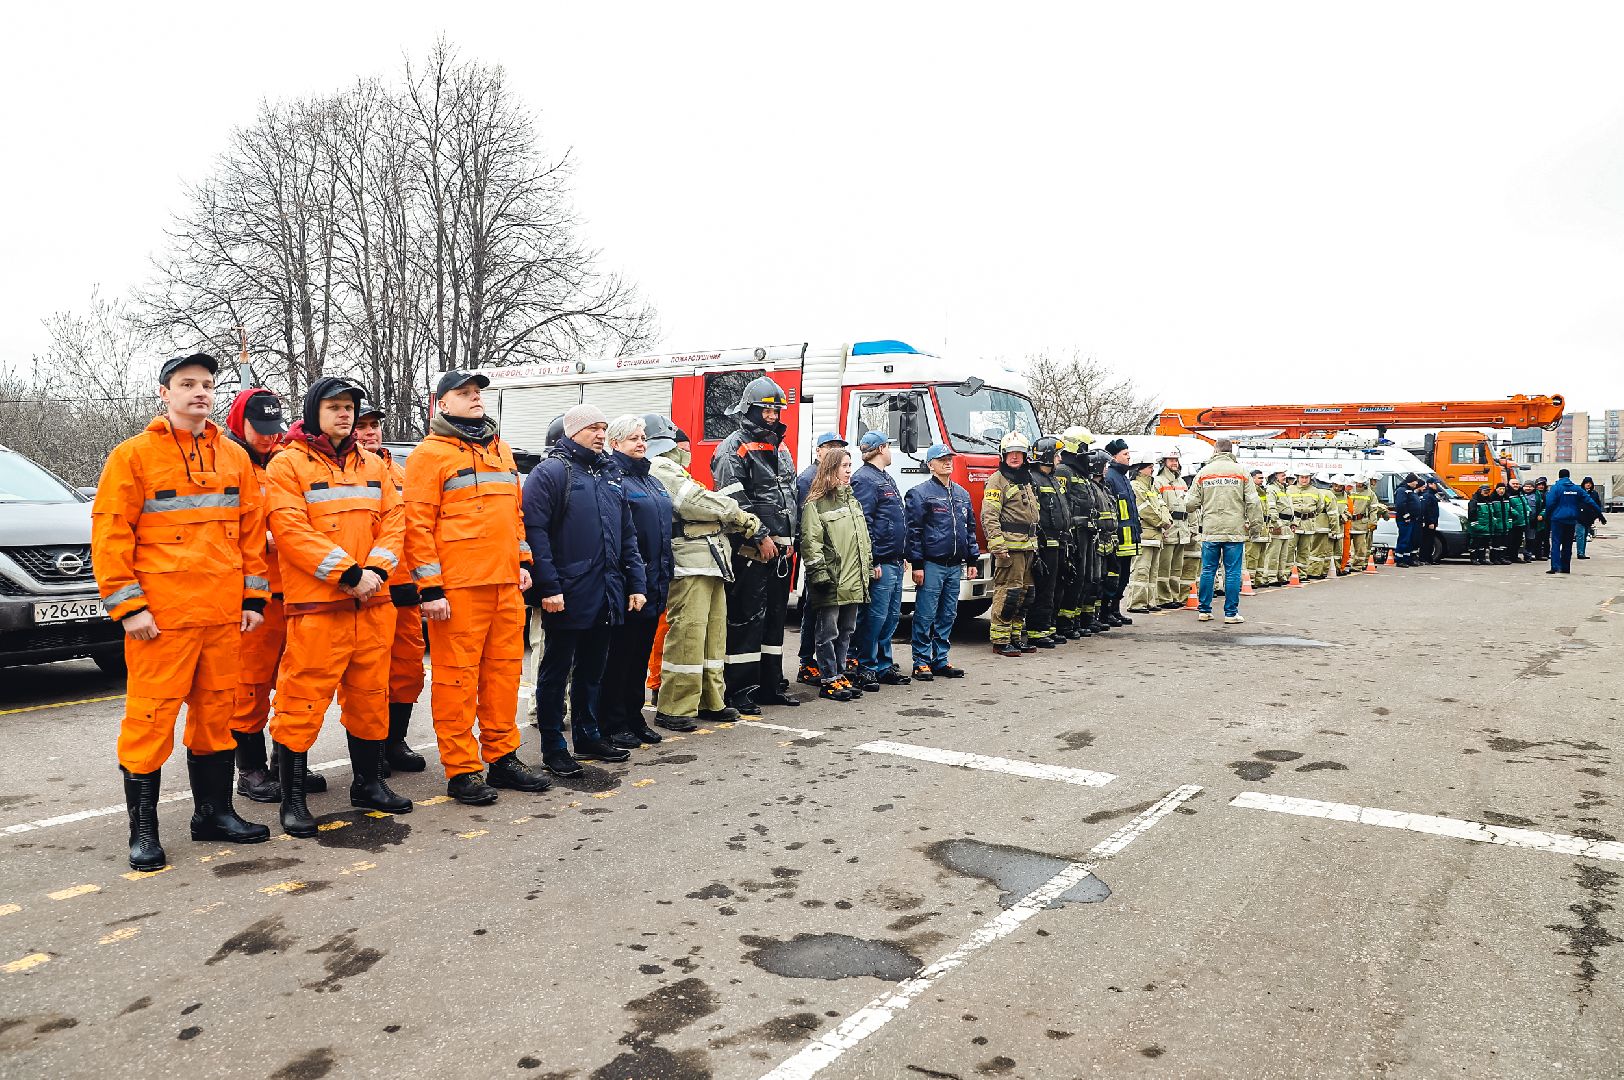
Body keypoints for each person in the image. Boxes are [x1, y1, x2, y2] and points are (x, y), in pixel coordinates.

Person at [92, 353, 273, 870]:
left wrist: (253, 599)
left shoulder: (234, 458)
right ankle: (143, 832)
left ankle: (213, 814)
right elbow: (109, 534)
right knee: (150, 720)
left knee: (216, 717)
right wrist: (129, 608)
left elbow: (250, 533)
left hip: (221, 617)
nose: (199, 392)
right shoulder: (133, 456)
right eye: (187, 384)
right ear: (164, 393)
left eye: (207, 384)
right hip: (161, 620)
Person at [265, 377, 412, 836]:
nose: (345, 414)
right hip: (318, 607)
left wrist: (377, 574)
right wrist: (349, 574)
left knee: (370, 697)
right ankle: (292, 799)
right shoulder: (287, 465)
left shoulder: (374, 464)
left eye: (349, 407)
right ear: (314, 412)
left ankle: (368, 783)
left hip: (373, 603)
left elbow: (395, 522)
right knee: (301, 701)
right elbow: (290, 531)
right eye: (335, 407)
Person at [406, 370, 549, 806]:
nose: (475, 399)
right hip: (460, 588)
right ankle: (462, 768)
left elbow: (515, 517)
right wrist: (431, 590)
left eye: (478, 393)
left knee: (504, 675)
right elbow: (417, 526)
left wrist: (523, 562)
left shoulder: (500, 449)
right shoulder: (429, 455)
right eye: (464, 394)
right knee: (457, 681)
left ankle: (503, 756)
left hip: (505, 584)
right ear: (442, 404)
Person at [525, 404, 648, 774]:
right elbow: (536, 534)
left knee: (593, 669)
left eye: (603, 427)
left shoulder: (608, 474)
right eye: (592, 427)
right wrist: (549, 587)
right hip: (567, 591)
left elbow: (627, 535)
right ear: (572, 431)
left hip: (606, 591)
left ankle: (589, 735)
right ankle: (553, 746)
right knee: (556, 670)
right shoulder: (550, 472)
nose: (599, 433)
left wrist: (635, 583)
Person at [645, 415, 765, 730]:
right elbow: (694, 502)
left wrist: (728, 515)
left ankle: (710, 700)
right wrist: (739, 514)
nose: (686, 450)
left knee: (713, 637)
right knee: (687, 635)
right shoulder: (660, 468)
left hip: (710, 561)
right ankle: (675, 707)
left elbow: (706, 505)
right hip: (689, 562)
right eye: (680, 444)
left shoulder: (674, 470)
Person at [712, 377, 800, 715]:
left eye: (777, 409)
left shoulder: (781, 447)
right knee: (746, 621)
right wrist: (760, 536)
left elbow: (788, 497)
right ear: (750, 408)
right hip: (752, 551)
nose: (773, 414)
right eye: (766, 409)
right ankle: (739, 691)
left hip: (780, 550)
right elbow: (735, 501)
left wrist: (791, 541)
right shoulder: (733, 447)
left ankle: (769, 684)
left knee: (774, 619)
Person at [353, 398, 428, 777]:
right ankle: (372, 750)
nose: (369, 433)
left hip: (405, 589)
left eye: (373, 426)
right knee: (369, 677)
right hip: (366, 588)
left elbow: (415, 530)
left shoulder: (401, 473)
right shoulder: (347, 473)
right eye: (361, 426)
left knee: (408, 671)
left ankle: (394, 742)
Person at [224, 388, 291, 803]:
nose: (269, 437)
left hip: (293, 593)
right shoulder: (230, 466)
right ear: (239, 425)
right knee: (249, 684)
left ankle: (287, 762)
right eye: (260, 430)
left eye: (273, 430)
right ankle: (250, 770)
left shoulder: (283, 464)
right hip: (251, 597)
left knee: (290, 682)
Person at [600, 415, 674, 750]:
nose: (641, 443)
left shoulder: (652, 480)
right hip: (631, 583)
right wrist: (633, 582)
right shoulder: (614, 479)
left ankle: (633, 716)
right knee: (620, 657)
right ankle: (613, 722)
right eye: (633, 438)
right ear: (614, 443)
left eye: (643, 437)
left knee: (639, 655)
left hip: (655, 580)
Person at [798, 447, 875, 700]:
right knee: (827, 632)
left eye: (850, 466)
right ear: (831, 470)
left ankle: (839, 674)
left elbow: (862, 541)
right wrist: (819, 574)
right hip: (832, 579)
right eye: (844, 466)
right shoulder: (815, 504)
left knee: (846, 631)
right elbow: (811, 543)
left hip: (853, 579)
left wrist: (868, 566)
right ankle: (828, 678)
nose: (849, 471)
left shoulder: (853, 501)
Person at [904, 443, 979, 679]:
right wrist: (917, 565)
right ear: (930, 465)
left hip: (955, 565)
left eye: (949, 458)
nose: (948, 462)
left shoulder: (961, 494)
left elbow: (970, 530)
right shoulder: (920, 493)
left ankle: (941, 659)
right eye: (942, 459)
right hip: (931, 564)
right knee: (926, 614)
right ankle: (921, 661)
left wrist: (973, 560)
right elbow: (913, 531)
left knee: (948, 614)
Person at [850, 431, 911, 682]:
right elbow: (864, 523)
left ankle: (884, 665)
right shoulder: (864, 480)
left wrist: (904, 553)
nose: (891, 452)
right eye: (889, 447)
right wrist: (872, 559)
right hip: (881, 561)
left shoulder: (885, 479)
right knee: (875, 617)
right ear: (881, 448)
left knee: (891, 616)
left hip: (894, 559)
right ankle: (866, 665)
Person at [796, 432, 855, 687]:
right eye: (830, 447)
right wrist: (816, 566)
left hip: (843, 568)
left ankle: (829, 668)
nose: (835, 450)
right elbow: (807, 527)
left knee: (836, 623)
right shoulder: (808, 480)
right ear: (819, 450)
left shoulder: (847, 492)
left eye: (839, 447)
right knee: (817, 615)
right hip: (823, 564)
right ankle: (808, 662)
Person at [982, 432, 1042, 656]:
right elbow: (989, 515)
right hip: (1010, 547)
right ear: (1003, 455)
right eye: (1011, 453)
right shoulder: (998, 480)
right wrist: (998, 546)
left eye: (1020, 453)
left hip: (1028, 547)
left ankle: (1015, 637)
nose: (1015, 457)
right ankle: (1000, 640)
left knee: (1026, 594)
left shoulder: (1026, 479)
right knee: (1008, 594)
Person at [1188, 439, 1261, 623]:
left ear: (1215, 451)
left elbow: (1190, 504)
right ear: (1231, 451)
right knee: (1233, 572)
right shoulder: (1242, 472)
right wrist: (1255, 528)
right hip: (1234, 530)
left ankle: (1204, 610)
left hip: (1211, 530)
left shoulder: (1204, 473)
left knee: (1207, 569)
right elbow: (1253, 503)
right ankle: (1230, 613)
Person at [1053, 427, 1100, 638]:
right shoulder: (1064, 471)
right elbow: (1063, 504)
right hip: (1074, 533)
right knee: (1073, 577)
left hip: (1087, 531)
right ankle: (1064, 623)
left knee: (1085, 577)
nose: (1088, 453)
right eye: (1085, 447)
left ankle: (1074, 620)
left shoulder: (1080, 474)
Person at [1025, 436, 1070, 647]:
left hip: (1059, 541)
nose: (1060, 459)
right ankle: (1037, 630)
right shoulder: (1034, 479)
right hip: (1045, 543)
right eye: (1057, 455)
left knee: (1056, 586)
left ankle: (1049, 627)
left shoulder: (1051, 478)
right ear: (1048, 456)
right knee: (1044, 587)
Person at [1100, 438, 1139, 626]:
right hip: (1118, 537)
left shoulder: (1123, 477)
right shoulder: (1111, 477)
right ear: (1114, 457)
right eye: (1125, 454)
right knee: (1113, 575)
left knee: (1123, 576)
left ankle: (1115, 609)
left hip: (1129, 536)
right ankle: (1106, 611)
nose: (1129, 456)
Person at [1126, 457, 1169, 612]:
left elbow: (1162, 505)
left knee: (1152, 572)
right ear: (1139, 469)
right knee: (1141, 571)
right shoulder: (1136, 486)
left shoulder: (1151, 487)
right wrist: (1162, 522)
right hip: (1145, 536)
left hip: (1156, 536)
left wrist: (1166, 520)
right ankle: (1136, 602)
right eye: (1149, 467)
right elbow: (1145, 510)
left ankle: (1150, 601)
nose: (1152, 469)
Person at [1544, 469, 1607, 574]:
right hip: (1571, 519)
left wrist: (1547, 516)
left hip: (1558, 519)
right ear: (1569, 476)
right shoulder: (1576, 489)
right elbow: (1590, 501)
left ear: (1559, 476)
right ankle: (1565, 568)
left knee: (1556, 543)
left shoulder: (1555, 488)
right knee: (1567, 544)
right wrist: (1600, 515)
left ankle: (1555, 567)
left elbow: (1550, 503)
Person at [1154, 450, 1192, 608]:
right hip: (1169, 528)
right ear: (1163, 462)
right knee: (1164, 565)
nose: (1174, 463)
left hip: (1182, 528)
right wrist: (1162, 527)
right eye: (1171, 460)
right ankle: (1163, 598)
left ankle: (1174, 596)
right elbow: (1157, 506)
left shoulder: (1182, 483)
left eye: (1176, 460)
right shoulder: (1158, 481)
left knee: (1177, 567)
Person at [1262, 468, 1292, 586]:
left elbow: (1290, 507)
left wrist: (1292, 522)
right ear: (1275, 477)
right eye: (1282, 475)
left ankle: (1281, 575)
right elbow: (1272, 508)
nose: (1285, 477)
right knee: (1273, 554)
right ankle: (1271, 577)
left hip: (1286, 525)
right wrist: (1276, 524)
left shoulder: (1284, 489)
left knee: (1283, 554)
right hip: (1278, 524)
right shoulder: (1271, 489)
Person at [1392, 473, 1420, 566]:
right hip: (1404, 519)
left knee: (1409, 539)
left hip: (1411, 519)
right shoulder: (1402, 490)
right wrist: (1406, 515)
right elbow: (1400, 505)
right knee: (1404, 538)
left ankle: (1407, 558)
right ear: (1410, 481)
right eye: (1415, 481)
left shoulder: (1409, 490)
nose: (1416, 483)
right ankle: (1399, 559)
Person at [1415, 479, 1442, 564]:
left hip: (1432, 522)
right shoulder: (1428, 495)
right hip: (1429, 523)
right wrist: (1430, 522)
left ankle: (1429, 558)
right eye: (1435, 484)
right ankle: (1424, 558)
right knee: (1426, 541)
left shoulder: (1431, 495)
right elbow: (1427, 510)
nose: (1436, 486)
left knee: (1430, 541)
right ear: (1430, 484)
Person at [1504, 478, 1531, 564]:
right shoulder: (1507, 494)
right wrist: (1514, 513)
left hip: (1521, 522)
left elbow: (1525, 504)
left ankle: (1514, 556)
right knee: (1510, 540)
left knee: (1518, 540)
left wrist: (1528, 510)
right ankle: (1508, 556)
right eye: (1513, 484)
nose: (1516, 485)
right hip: (1513, 522)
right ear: (1509, 484)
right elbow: (1507, 507)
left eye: (1517, 484)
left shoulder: (1521, 493)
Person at [1465, 485, 1492, 565]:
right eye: (1485, 491)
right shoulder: (1474, 501)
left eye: (1488, 491)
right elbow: (1471, 514)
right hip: (1477, 527)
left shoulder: (1488, 500)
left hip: (1486, 527)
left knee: (1484, 544)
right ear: (1480, 491)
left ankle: (1482, 559)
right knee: (1475, 544)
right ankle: (1473, 559)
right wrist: (1476, 525)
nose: (1487, 493)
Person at [1577, 477, 1601, 558]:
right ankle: (1580, 553)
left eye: (1589, 483)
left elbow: (1597, 504)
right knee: (1580, 535)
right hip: (1579, 517)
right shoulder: (1579, 492)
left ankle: (1582, 552)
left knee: (1585, 535)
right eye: (1586, 483)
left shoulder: (1594, 493)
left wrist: (1595, 515)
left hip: (1589, 518)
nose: (1588, 485)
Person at [1531, 476, 1551, 560]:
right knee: (1536, 538)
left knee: (1546, 537)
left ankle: (1546, 553)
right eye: (1539, 485)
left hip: (1545, 519)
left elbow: (1548, 506)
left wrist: (1543, 514)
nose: (1541, 486)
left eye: (1542, 485)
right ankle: (1536, 553)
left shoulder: (1548, 494)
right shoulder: (1534, 494)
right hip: (1535, 519)